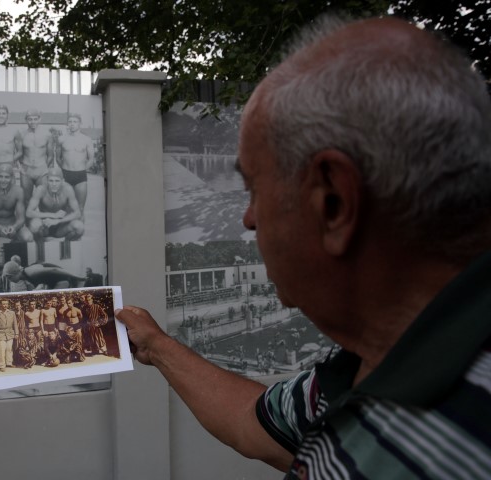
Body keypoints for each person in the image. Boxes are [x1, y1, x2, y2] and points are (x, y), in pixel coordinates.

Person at [116, 16, 491, 479]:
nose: (247, 219)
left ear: (333, 202)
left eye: (253, 189)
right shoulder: (358, 368)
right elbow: (254, 423)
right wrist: (156, 345)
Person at [0, 163, 33, 243]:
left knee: (28, 237)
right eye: (0, 176)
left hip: (11, 224)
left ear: (12, 178)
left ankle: (15, 246)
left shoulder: (18, 191)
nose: (3, 180)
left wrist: (14, 227)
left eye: (7, 177)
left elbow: (21, 218)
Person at [26, 167, 84, 240]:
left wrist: (57, 221)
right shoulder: (41, 189)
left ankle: (66, 244)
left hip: (60, 227)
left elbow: (77, 213)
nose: (54, 184)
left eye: (57, 181)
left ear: (62, 181)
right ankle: (41, 244)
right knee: (34, 225)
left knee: (79, 227)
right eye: (51, 181)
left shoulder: (68, 189)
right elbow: (29, 213)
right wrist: (53, 215)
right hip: (44, 226)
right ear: (47, 180)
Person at [57, 113, 95, 216]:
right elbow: (58, 158)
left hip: (80, 176)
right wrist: (64, 169)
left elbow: (91, 159)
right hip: (66, 174)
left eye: (75, 122)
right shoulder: (62, 139)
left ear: (80, 123)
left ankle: (79, 229)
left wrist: (83, 169)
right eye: (70, 122)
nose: (72, 124)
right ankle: (66, 230)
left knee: (80, 207)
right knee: (65, 207)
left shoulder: (86, 140)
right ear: (67, 124)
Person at [14, 109, 55, 202]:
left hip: (41, 170)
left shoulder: (47, 135)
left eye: (35, 119)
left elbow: (51, 155)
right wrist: (20, 167)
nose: (32, 122)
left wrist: (45, 167)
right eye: (30, 119)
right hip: (26, 171)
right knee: (25, 200)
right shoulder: (21, 134)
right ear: (26, 120)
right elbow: (18, 153)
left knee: (44, 199)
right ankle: (27, 217)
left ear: (39, 119)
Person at [0, 299, 19, 372]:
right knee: (1, 350)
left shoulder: (12, 313)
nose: (5, 305)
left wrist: (16, 333)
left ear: (8, 305)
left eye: (6, 304)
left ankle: (9, 363)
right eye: (3, 304)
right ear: (0, 305)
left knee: (9, 349)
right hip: (1, 334)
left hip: (10, 333)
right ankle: (2, 365)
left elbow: (15, 324)